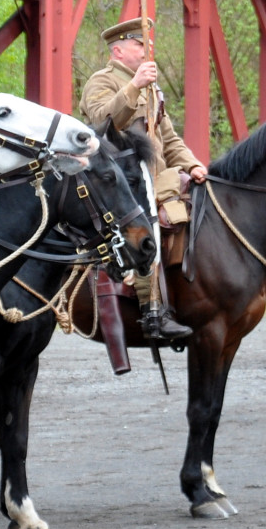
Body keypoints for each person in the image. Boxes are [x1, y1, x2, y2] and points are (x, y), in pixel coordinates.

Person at [79, 17, 207, 341]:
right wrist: (133, 86)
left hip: (155, 175)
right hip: (120, 179)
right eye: (140, 44)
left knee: (198, 208)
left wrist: (191, 165)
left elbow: (168, 138)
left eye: (147, 44)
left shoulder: (151, 88)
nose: (147, 49)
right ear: (118, 50)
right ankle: (153, 311)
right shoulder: (101, 81)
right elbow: (101, 122)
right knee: (145, 224)